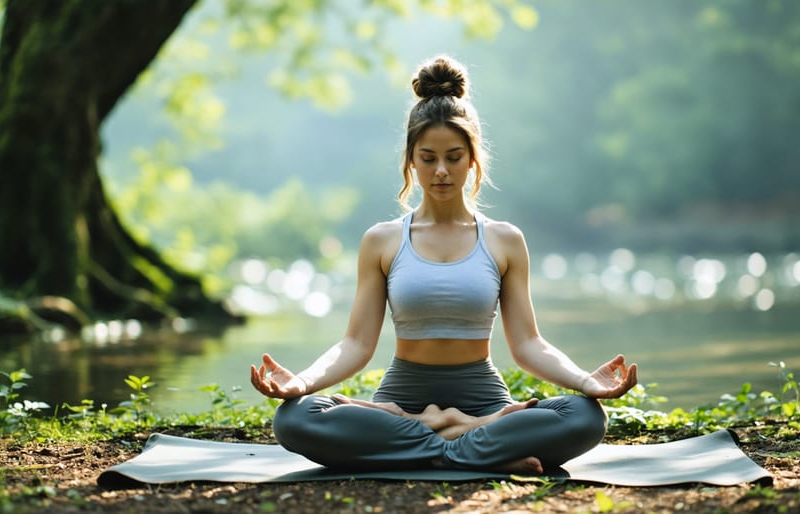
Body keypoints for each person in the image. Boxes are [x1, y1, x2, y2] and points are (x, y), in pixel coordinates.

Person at [250, 55, 637, 474]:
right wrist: (302, 383)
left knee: (585, 417)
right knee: (293, 418)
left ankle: (444, 436)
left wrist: (584, 381)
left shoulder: (504, 240)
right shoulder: (382, 240)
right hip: (400, 402)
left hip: (484, 399)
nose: (441, 171)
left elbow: (528, 344)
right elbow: (357, 344)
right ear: (410, 160)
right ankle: (474, 442)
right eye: (428, 157)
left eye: (453, 157)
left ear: (472, 158)